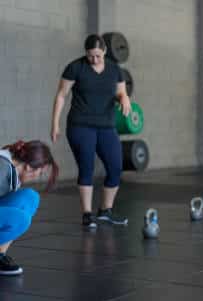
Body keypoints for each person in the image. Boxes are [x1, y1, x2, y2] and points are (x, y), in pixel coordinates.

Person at [51, 33, 131, 229]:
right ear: (86, 53)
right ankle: (87, 215)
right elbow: (61, 95)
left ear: (104, 51)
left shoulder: (114, 69)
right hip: (80, 125)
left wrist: (125, 99)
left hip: (106, 125)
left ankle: (105, 211)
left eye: (98, 55)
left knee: (115, 167)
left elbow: (121, 91)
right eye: (90, 55)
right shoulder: (75, 67)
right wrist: (55, 123)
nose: (94, 59)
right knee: (87, 168)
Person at [0, 140, 59, 276]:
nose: (38, 177)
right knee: (19, 219)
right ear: (29, 168)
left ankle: (0, 254)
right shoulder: (2, 168)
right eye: (40, 172)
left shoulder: (12, 166)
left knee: (29, 198)